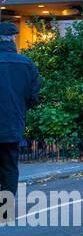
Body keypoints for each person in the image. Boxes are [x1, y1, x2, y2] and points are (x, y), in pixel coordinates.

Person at [0, 21, 39, 223]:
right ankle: (5, 210)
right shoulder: (26, 64)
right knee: (9, 166)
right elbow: (33, 96)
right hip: (12, 123)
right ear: (14, 39)